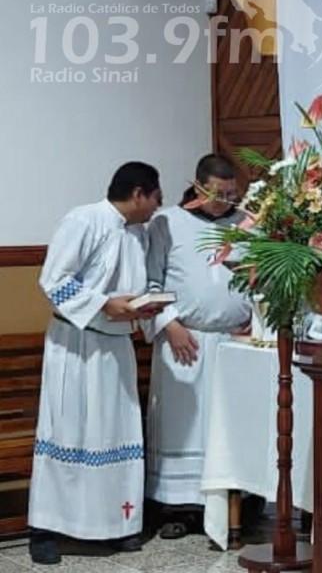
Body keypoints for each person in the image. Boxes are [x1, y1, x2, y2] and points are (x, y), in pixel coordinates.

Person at [28, 162, 163, 565]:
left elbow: (133, 284)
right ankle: (45, 530)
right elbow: (54, 280)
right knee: (68, 428)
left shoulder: (138, 232)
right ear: (138, 193)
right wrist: (105, 303)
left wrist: (142, 304)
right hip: (76, 345)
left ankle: (114, 525)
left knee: (113, 432)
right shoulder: (83, 220)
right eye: (156, 197)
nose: (158, 206)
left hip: (116, 347)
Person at [145, 154, 252, 539]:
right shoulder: (166, 224)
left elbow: (259, 280)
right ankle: (179, 509)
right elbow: (150, 283)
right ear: (198, 184)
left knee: (233, 427)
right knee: (184, 430)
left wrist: (254, 321)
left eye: (231, 193)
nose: (226, 200)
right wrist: (168, 323)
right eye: (218, 193)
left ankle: (238, 504)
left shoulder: (246, 223)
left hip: (234, 342)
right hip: (184, 342)